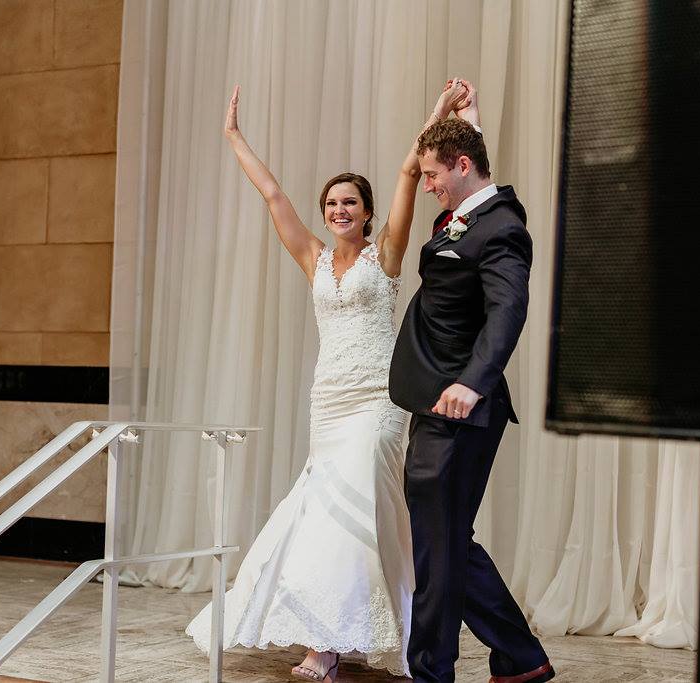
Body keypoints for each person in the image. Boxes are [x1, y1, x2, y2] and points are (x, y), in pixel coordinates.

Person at [186, 81, 471, 682]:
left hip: (377, 402)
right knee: (330, 513)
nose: (340, 210)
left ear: (367, 212)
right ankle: (344, 629)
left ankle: (330, 641)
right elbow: (272, 195)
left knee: (360, 506)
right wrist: (233, 137)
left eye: (351, 203)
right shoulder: (313, 258)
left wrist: (438, 114)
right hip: (329, 403)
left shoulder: (385, 254)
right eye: (332, 204)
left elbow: (406, 170)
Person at [389, 82, 556, 683]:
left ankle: (431, 672)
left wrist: (474, 382)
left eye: (433, 174)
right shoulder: (473, 212)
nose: (425, 183)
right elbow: (463, 165)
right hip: (435, 400)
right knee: (444, 544)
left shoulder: (501, 227)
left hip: (459, 406)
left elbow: (509, 310)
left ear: (462, 166)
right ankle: (521, 658)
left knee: (437, 550)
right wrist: (462, 122)